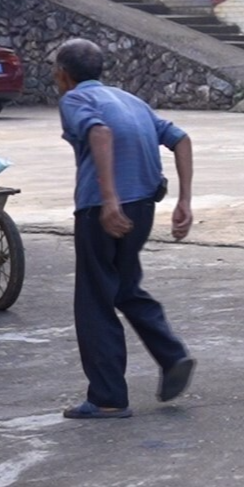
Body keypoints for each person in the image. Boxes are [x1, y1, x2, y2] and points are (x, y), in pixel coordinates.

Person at [54, 38, 195, 419]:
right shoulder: (131, 100)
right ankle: (172, 355)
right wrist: (184, 201)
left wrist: (109, 201)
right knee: (125, 285)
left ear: (63, 75)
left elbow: (99, 133)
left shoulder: (74, 100)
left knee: (94, 300)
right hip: (143, 207)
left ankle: (108, 397)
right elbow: (180, 139)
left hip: (104, 211)